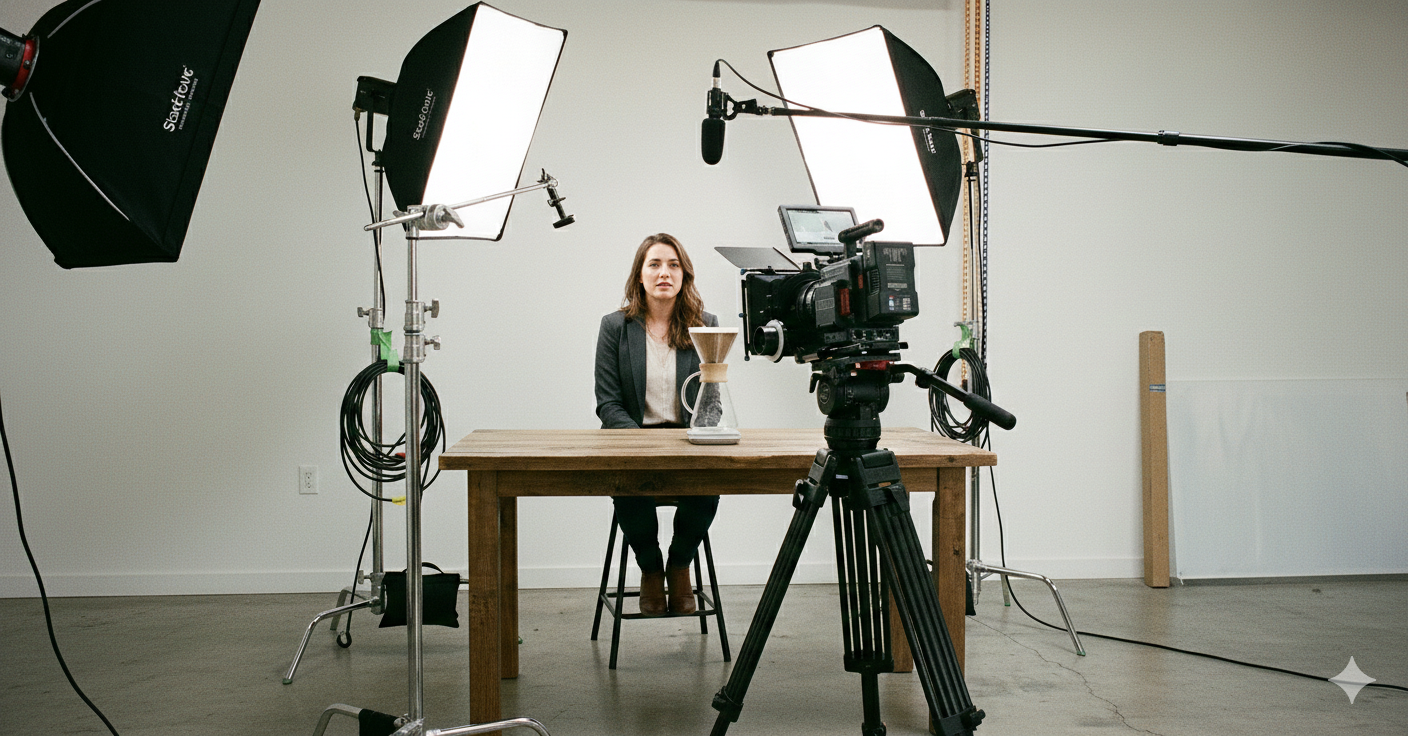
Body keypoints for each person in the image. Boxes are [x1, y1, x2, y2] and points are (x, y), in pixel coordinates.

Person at [595, 233, 719, 617]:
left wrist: (692, 437)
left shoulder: (706, 325)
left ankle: (680, 565)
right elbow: (608, 403)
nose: (664, 272)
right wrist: (641, 445)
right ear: (640, 275)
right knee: (628, 485)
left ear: (684, 275)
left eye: (673, 264)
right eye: (655, 264)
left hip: (687, 439)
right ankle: (650, 568)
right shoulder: (615, 326)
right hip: (631, 440)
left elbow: (711, 404)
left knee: (712, 479)